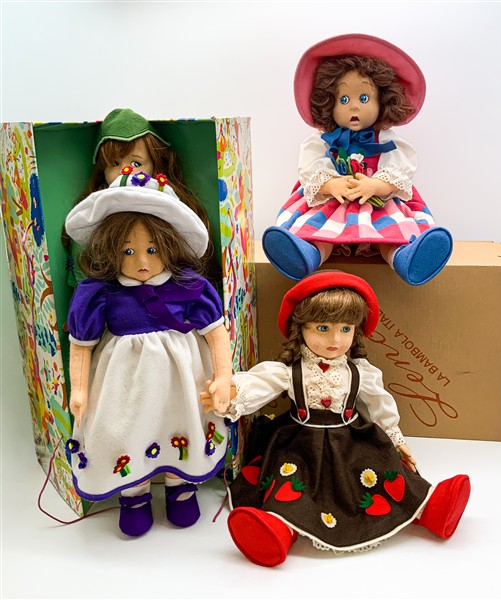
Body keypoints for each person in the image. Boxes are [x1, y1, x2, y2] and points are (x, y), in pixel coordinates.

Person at [202, 271, 470, 566]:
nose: (335, 339)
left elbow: (379, 403)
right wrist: (230, 393)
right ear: (300, 328)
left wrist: (395, 437)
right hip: (300, 443)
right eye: (323, 328)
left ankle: (430, 509)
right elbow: (258, 386)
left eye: (345, 328)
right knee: (291, 482)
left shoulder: (360, 372)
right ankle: (278, 529)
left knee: (381, 470)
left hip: (351, 440)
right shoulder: (289, 371)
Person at [64, 168, 232, 537]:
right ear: (111, 251)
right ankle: (134, 496)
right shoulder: (100, 294)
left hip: (181, 382)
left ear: (170, 247)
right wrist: (79, 389)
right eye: (128, 251)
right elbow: (81, 345)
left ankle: (180, 489)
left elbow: (216, 333)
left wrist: (223, 376)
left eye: (152, 250)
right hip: (125, 385)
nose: (142, 261)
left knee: (180, 425)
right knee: (126, 432)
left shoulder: (189, 287)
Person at [262, 34, 453, 285]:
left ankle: (406, 258)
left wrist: (378, 185)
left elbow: (400, 168)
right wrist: (330, 183)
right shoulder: (322, 140)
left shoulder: (386, 139)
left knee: (392, 230)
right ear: (328, 103)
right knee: (316, 231)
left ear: (382, 100)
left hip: (377, 201)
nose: (354, 107)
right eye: (343, 99)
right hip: (333, 200)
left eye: (364, 98)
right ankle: (305, 255)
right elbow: (310, 166)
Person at [62, 107, 219, 286]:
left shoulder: (172, 206)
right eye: (114, 163)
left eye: (136, 163)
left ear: (155, 164)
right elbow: (85, 271)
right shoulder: (93, 213)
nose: (125, 171)